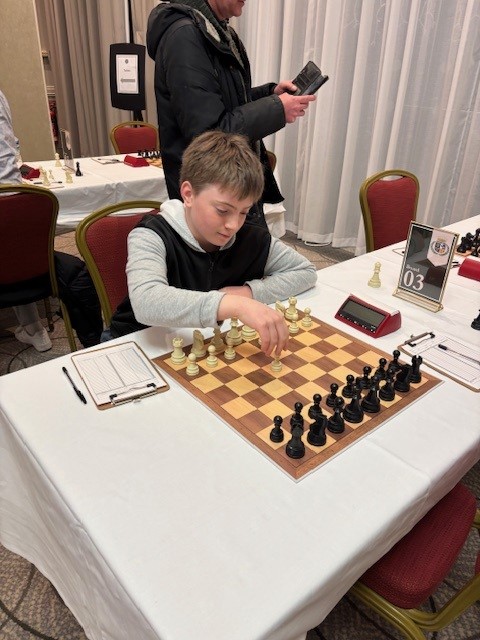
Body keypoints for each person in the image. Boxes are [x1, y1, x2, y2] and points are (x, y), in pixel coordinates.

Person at [109, 131, 317, 355]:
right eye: (222, 210)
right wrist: (232, 304)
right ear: (188, 194)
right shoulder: (151, 234)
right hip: (136, 344)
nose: (233, 225)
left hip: (203, 346)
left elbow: (305, 271)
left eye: (244, 212)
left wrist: (248, 293)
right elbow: (146, 302)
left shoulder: (251, 237)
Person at [146, 0, 315, 225]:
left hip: (228, 189)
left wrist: (270, 94)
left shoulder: (216, 30)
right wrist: (276, 108)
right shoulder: (186, 36)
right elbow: (209, 134)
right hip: (212, 199)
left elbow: (225, 102)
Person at [0, 89, 52, 352]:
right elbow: (11, 145)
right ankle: (34, 327)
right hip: (14, 195)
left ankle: (32, 327)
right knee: (16, 251)